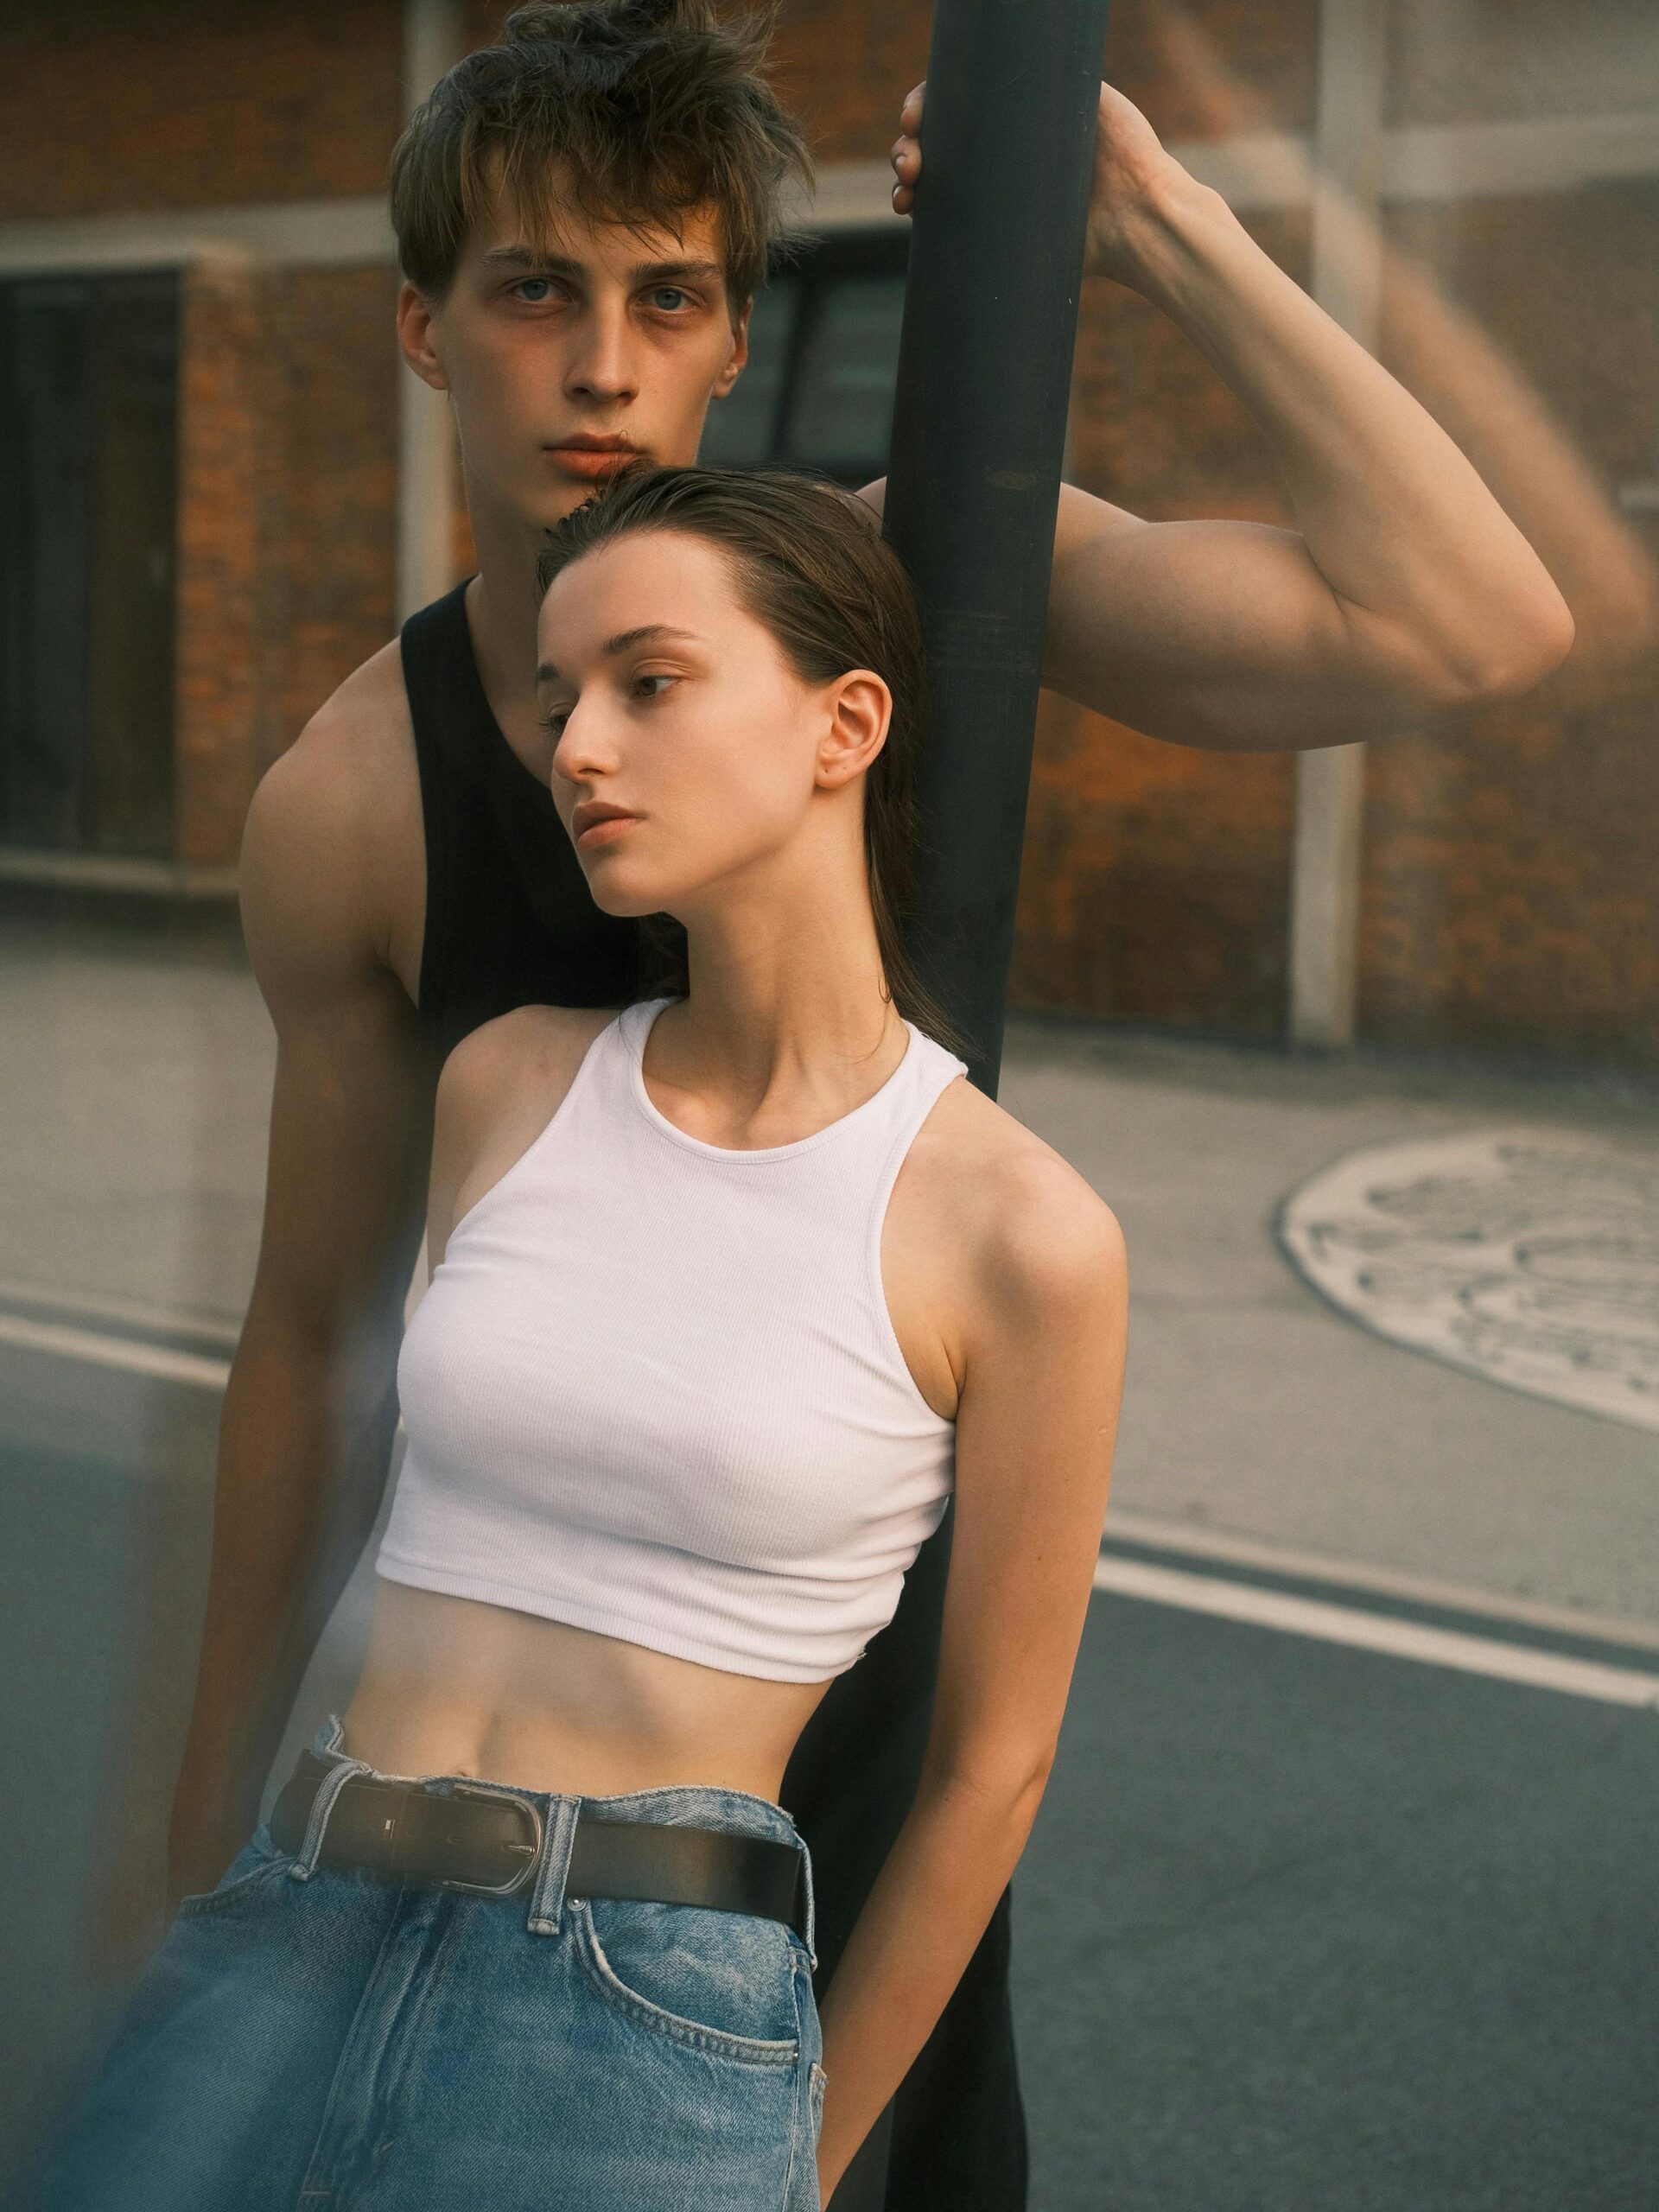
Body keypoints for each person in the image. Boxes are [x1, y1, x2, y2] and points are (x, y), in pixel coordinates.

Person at [146, 4, 1573, 2208]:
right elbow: (309, 1352)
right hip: (464, 1783)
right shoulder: (355, 803)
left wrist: (1161, 226)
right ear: (429, 332)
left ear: (733, 338)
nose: (605, 368)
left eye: (671, 296)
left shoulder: (896, 589)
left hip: (841, 1743)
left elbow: (1472, 625)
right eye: (539, 293)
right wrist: (202, 1867)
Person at [23, 460, 1130, 2212]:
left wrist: (802, 2154)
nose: (580, 749)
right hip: (295, 1909)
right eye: (557, 702)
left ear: (845, 722)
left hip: (636, 2016)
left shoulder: (1021, 1233)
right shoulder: (507, 1084)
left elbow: (993, 1769)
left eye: (650, 681)